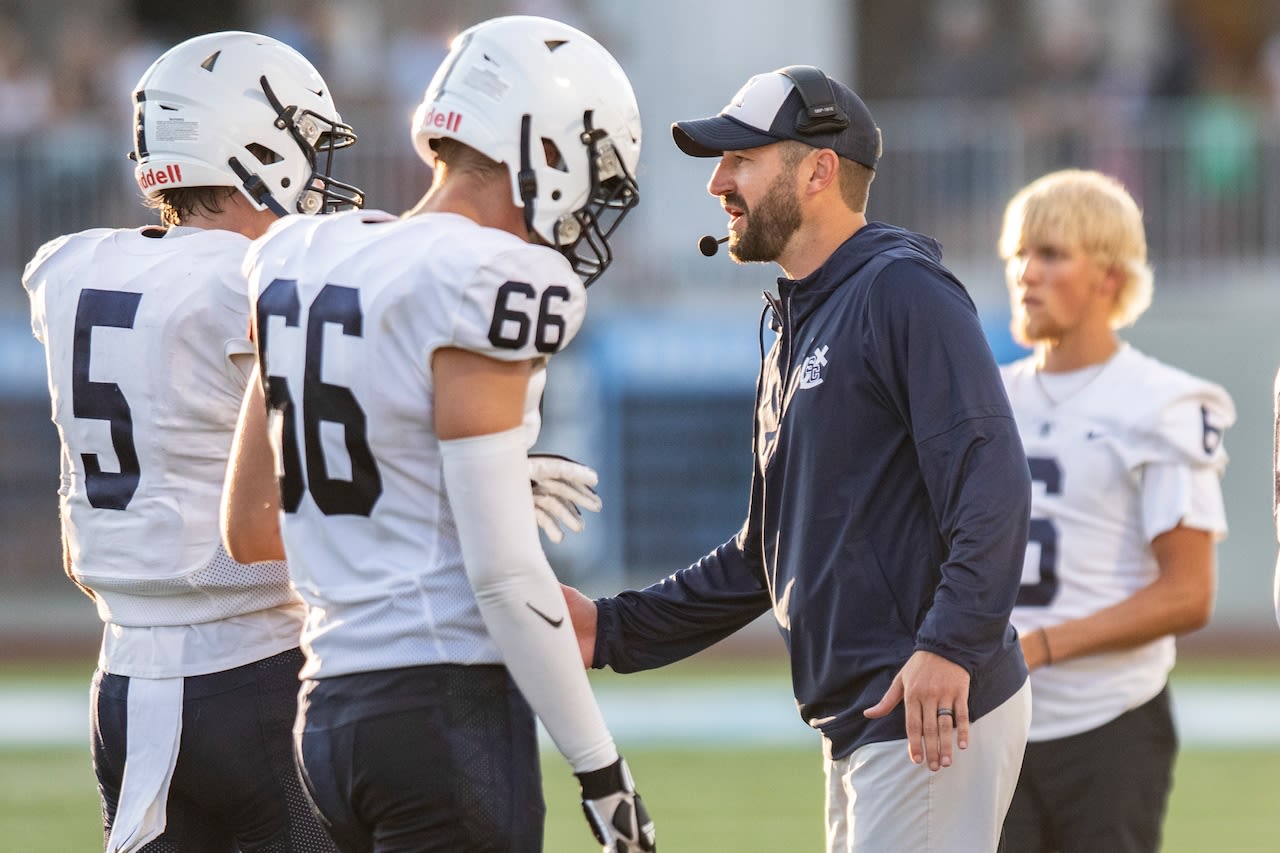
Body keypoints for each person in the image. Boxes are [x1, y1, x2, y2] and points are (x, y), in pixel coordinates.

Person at [561, 65, 1031, 852]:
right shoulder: (796, 321)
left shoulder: (902, 290)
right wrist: (608, 630)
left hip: (922, 710)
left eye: (741, 159)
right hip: (867, 720)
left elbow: (993, 481)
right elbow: (762, 556)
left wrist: (950, 643)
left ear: (818, 169)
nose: (717, 182)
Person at [220, 15, 654, 853]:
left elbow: (251, 526)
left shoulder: (298, 253)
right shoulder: (490, 275)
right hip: (443, 713)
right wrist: (602, 770)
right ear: (549, 150)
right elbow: (502, 574)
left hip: (326, 719)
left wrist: (439, 471)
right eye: (590, 174)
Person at [21, 31, 364, 853]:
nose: (315, 173)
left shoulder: (68, 268)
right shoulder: (253, 278)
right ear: (255, 144)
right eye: (305, 143)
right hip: (258, 672)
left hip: (123, 682)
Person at [997, 169, 1234, 852]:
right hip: (998, 720)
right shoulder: (989, 395)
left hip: (1110, 721)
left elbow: (1189, 594)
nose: (1026, 273)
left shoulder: (1161, 401)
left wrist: (1040, 645)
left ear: (1107, 275)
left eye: (1050, 253)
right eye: (1018, 254)